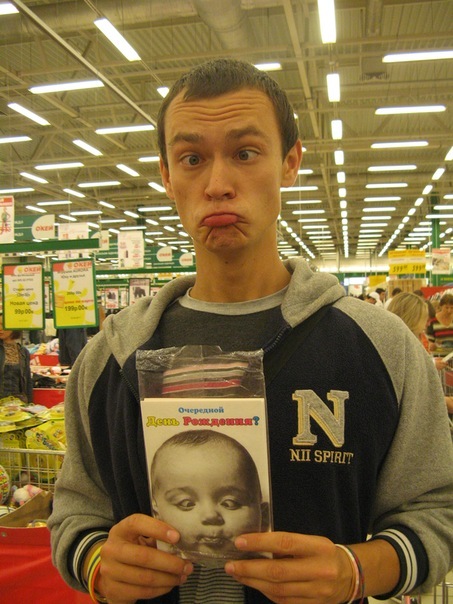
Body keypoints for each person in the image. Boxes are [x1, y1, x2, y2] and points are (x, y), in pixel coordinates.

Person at [49, 58, 453, 604]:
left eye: (244, 153)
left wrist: (356, 570)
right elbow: (76, 510)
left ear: (290, 162)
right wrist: (97, 562)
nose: (217, 185)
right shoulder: (109, 359)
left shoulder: (380, 348)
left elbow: (436, 509)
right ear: (167, 175)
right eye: (192, 159)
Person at [150, 430, 268, 564]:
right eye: (187, 503)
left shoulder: (272, 567)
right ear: (157, 516)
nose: (210, 516)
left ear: (263, 516)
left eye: (230, 503)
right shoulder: (154, 566)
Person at [387, 292, 453, 412]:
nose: (427, 324)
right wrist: (444, 402)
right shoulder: (401, 348)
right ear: (413, 319)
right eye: (424, 318)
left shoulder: (397, 343)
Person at [0, 314, 33, 403]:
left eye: (3, 325)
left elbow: (27, 380)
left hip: (17, 402)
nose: (0, 328)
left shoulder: (23, 351)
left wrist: (29, 403)